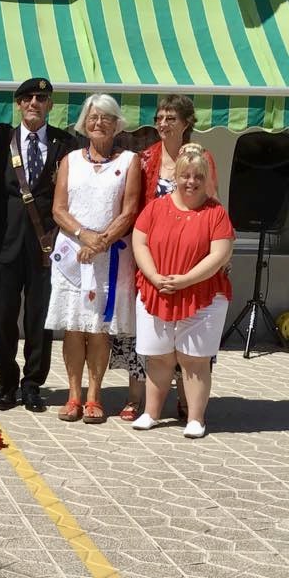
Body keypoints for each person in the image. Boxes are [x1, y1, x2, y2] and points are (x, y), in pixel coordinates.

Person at [0, 77, 77, 412]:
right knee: (4, 318)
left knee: (39, 319)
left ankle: (33, 384)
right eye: (27, 98)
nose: (34, 103)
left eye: (41, 98)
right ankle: (6, 385)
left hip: (46, 246)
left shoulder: (66, 143)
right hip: (4, 243)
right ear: (18, 104)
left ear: (50, 104)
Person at [47, 94, 141, 424]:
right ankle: (72, 395)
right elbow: (58, 209)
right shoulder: (70, 160)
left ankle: (94, 396)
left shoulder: (130, 161)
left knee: (100, 328)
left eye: (105, 117)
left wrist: (100, 243)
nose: (98, 123)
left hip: (111, 258)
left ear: (117, 123)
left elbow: (129, 211)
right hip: (73, 255)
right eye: (92, 117)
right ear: (84, 124)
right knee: (74, 327)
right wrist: (85, 237)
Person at [131, 144, 233, 438]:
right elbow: (140, 242)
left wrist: (186, 279)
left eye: (198, 176)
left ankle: (196, 419)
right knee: (159, 357)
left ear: (206, 178)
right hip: (157, 291)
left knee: (194, 360)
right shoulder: (156, 207)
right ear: (175, 176)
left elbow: (220, 254)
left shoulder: (216, 213)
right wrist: (153, 275)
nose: (191, 181)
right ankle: (151, 414)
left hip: (202, 296)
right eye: (185, 175)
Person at [139, 94, 219, 421]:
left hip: (193, 263)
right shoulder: (146, 158)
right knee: (154, 341)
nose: (163, 123)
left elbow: (213, 200)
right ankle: (144, 403)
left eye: (171, 118)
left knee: (192, 344)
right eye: (159, 117)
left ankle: (189, 405)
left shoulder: (203, 158)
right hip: (154, 263)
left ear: (186, 123)